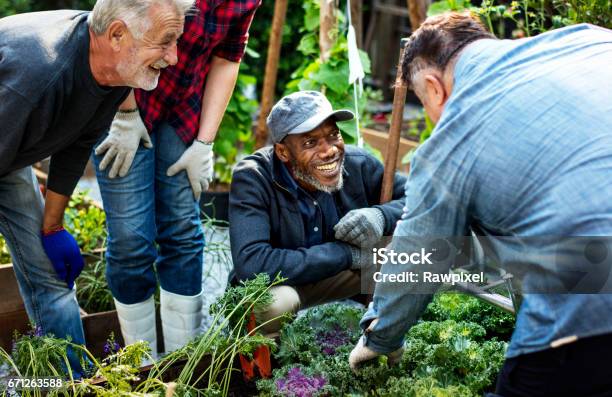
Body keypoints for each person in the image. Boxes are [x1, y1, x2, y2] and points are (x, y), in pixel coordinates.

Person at [347, 12, 612, 396]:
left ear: (434, 88)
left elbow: (420, 254)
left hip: (591, 304)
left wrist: (380, 337)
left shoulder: (452, 139)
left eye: (425, 104)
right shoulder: (587, 41)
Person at [0, 0, 193, 373]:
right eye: (165, 42)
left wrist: (52, 227)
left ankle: (71, 382)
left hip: (11, 151)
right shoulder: (40, 74)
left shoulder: (111, 74)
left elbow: (75, 144)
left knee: (51, 277)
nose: (174, 57)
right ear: (118, 34)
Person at [92, 0, 261, 357]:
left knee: (183, 232)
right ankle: (140, 363)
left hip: (182, 110)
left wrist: (205, 143)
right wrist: (124, 114)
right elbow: (113, 28)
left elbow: (228, 59)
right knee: (131, 240)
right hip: (124, 96)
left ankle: (180, 362)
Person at [229, 91, 408, 332]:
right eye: (310, 142)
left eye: (333, 135)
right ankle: (269, 364)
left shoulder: (358, 163)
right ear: (283, 152)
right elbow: (252, 264)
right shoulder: (253, 178)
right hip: (285, 285)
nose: (329, 151)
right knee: (273, 305)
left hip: (339, 277)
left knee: (415, 254)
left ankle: (384, 341)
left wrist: (381, 215)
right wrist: (346, 255)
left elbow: (418, 197)